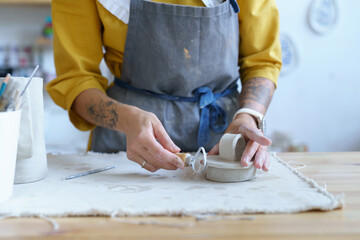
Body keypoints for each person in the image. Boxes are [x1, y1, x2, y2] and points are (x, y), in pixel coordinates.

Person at [47, 0, 282, 173]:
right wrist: (126, 120)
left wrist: (248, 117)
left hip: (225, 140)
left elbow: (261, 60)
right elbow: (76, 79)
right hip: (126, 146)